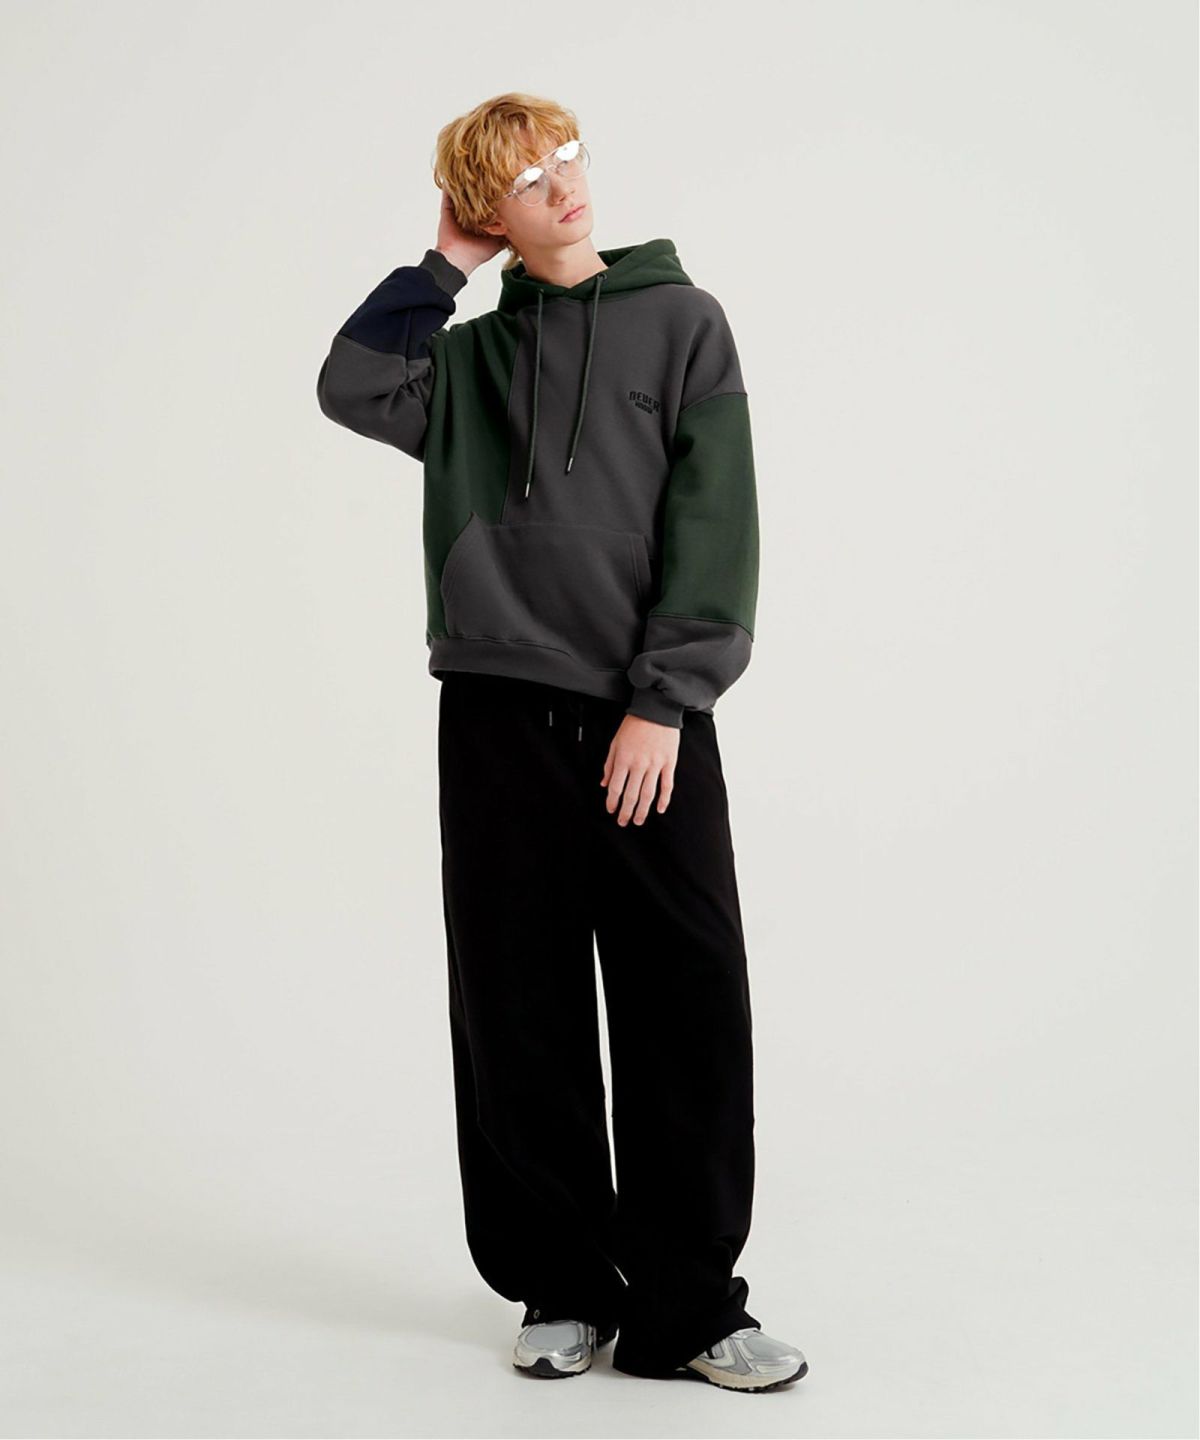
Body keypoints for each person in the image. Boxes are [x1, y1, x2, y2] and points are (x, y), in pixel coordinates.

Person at [316, 92, 807, 1393]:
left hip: (646, 714)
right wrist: (445, 265)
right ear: (490, 209)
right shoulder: (468, 362)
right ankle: (562, 1283)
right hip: (494, 711)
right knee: (516, 1006)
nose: (564, 187)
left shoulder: (684, 322)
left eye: (568, 159)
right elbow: (352, 385)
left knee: (684, 1002)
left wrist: (667, 698)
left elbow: (717, 518)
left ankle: (690, 1307)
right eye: (528, 179)